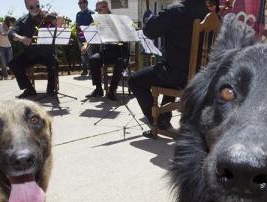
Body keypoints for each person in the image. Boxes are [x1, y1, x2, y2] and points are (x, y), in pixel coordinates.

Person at [127, 0, 208, 138]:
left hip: (178, 74)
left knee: (134, 80)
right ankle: (164, 119)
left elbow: (149, 31)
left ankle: (157, 122)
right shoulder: (207, 12)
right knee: (167, 73)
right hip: (201, 75)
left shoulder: (175, 10)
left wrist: (149, 18)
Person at [8, 0, 59, 98]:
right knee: (13, 64)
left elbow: (58, 25)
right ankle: (29, 89)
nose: (35, 9)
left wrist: (56, 20)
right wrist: (21, 38)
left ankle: (51, 90)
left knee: (54, 63)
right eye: (31, 7)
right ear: (27, 8)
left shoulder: (47, 17)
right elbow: (11, 32)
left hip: (46, 53)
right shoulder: (22, 20)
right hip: (30, 54)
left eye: (37, 6)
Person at [84, 0, 129, 101]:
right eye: (96, 10)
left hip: (120, 50)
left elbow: (126, 35)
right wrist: (86, 45)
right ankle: (98, 89)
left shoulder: (116, 19)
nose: (98, 12)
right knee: (93, 59)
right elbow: (91, 34)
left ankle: (112, 90)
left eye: (99, 9)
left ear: (106, 7)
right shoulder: (97, 21)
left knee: (120, 62)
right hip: (107, 51)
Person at [75, 0, 94, 77]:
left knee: (90, 54)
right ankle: (85, 69)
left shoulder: (91, 13)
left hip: (88, 37)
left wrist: (86, 28)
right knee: (83, 54)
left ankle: (92, 70)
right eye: (79, 3)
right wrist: (77, 28)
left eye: (82, 2)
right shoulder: (78, 14)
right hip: (80, 36)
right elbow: (77, 24)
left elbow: (93, 24)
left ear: (86, 3)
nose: (80, 4)